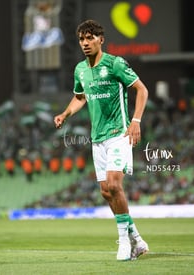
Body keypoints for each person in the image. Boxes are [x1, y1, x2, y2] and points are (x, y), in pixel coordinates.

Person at [54, 19, 149, 261]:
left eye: (90, 38)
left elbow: (142, 89)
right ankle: (136, 238)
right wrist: (65, 113)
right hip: (97, 139)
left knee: (115, 185)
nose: (85, 43)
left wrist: (135, 121)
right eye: (81, 39)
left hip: (119, 134)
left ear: (100, 40)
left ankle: (124, 243)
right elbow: (80, 97)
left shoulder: (115, 64)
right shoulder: (80, 70)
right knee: (106, 191)